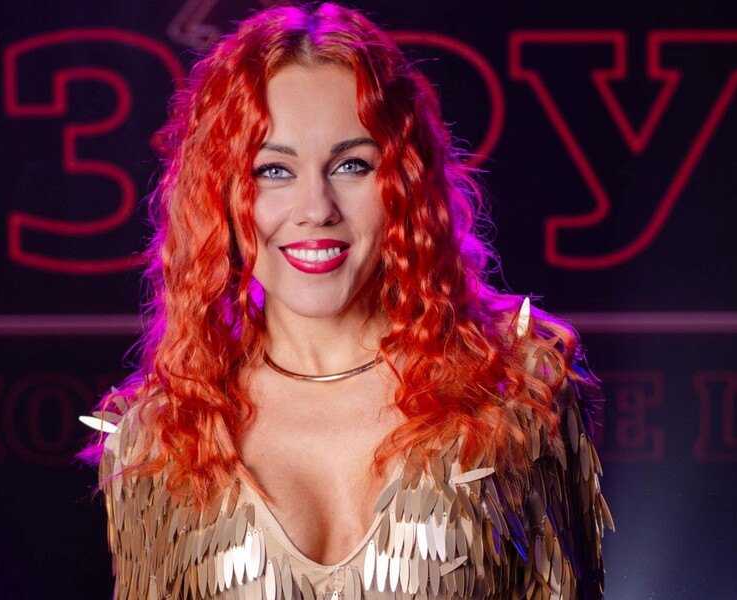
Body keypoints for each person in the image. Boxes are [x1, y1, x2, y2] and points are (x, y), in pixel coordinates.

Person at [81, 3, 613, 599]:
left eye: (352, 165)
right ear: (219, 194)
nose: (316, 208)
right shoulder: (159, 439)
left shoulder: (517, 393)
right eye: (273, 170)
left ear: (405, 184)